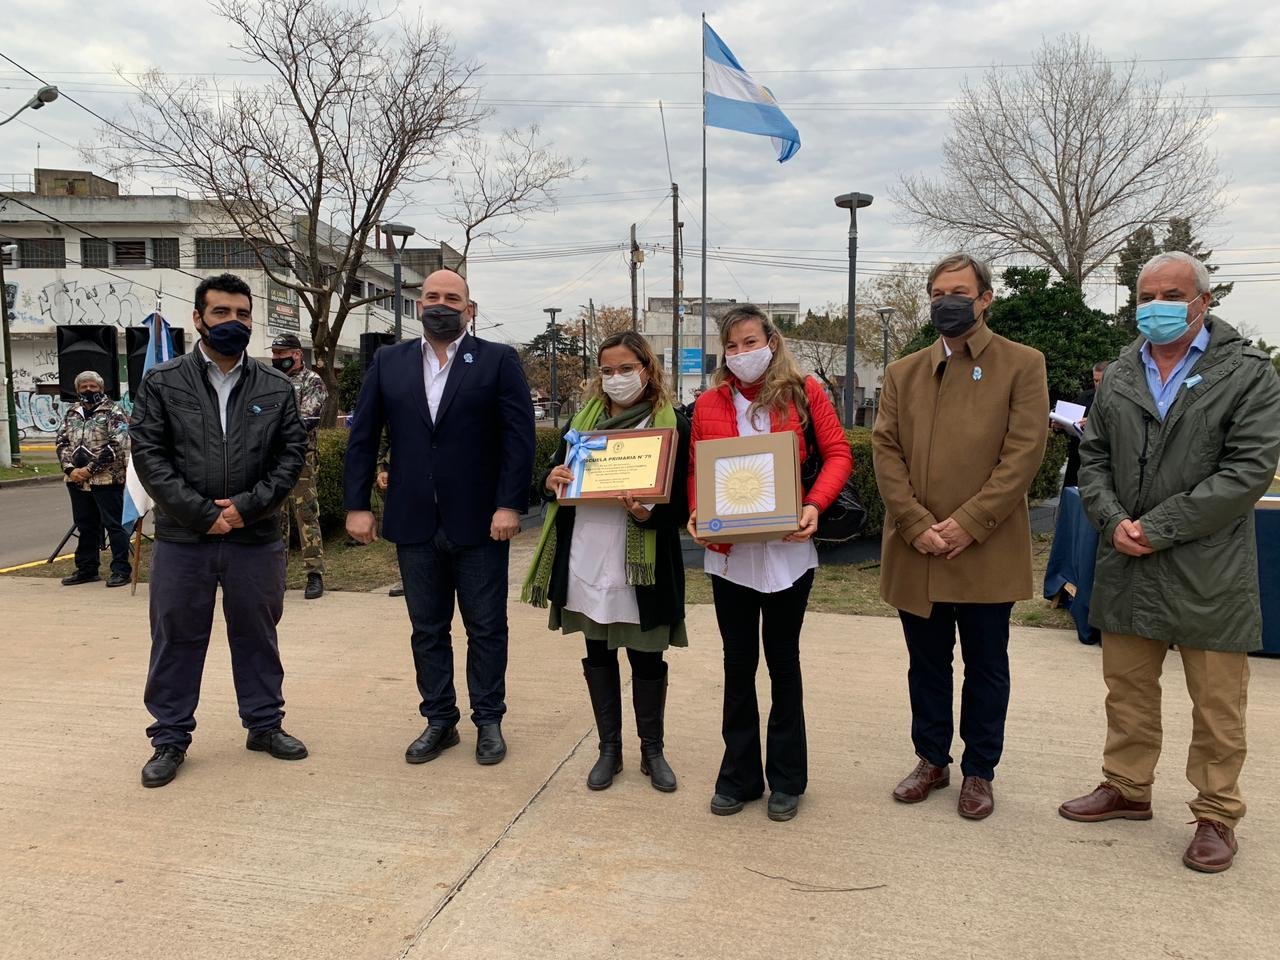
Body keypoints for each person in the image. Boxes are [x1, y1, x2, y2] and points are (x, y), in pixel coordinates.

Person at [1060, 251, 1280, 873]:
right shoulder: (1124, 369)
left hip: (1207, 566)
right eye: (1146, 295)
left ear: (1203, 302)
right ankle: (1126, 788)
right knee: (1126, 688)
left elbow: (1247, 472)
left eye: (1170, 295)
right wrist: (1110, 519)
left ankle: (1216, 813)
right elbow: (1093, 457)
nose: (1155, 306)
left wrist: (1157, 528)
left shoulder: (1247, 371)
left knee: (1217, 702)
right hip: (1127, 558)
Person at [872, 252, 1048, 821]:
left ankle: (979, 771)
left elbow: (1023, 455)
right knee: (926, 665)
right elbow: (885, 451)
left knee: (986, 666)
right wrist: (916, 523)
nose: (947, 301)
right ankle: (931, 759)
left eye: (959, 291)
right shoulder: (903, 372)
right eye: (938, 292)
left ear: (985, 298)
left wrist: (969, 524)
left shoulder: (1022, 364)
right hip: (916, 548)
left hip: (985, 548)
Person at [344, 269, 535, 767]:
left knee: (486, 627)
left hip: (481, 522)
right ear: (418, 303)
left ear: (469, 309)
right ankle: (440, 720)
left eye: (453, 298)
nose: (441, 304)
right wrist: (357, 505)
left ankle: (488, 720)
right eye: (432, 296)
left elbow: (519, 439)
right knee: (427, 628)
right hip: (414, 522)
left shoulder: (497, 360)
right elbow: (363, 437)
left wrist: (510, 503)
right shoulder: (389, 362)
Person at [129, 273, 309, 788]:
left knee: (257, 634)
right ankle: (169, 737)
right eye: (222, 313)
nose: (234, 322)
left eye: (242, 314)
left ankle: (264, 725)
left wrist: (244, 510)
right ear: (198, 319)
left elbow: (289, 457)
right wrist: (202, 514)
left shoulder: (276, 386)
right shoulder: (163, 382)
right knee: (176, 637)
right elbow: (150, 456)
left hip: (254, 538)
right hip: (185, 540)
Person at [687, 304, 852, 822]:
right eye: (732, 346)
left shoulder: (805, 392)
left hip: (787, 554)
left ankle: (787, 779)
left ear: (772, 343)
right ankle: (738, 776)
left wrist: (814, 504)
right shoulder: (709, 403)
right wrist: (696, 509)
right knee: (738, 668)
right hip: (730, 560)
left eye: (750, 342)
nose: (741, 354)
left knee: (783, 665)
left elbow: (840, 454)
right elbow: (697, 469)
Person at [522, 331, 690, 793]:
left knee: (647, 655)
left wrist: (648, 511)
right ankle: (609, 750)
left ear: (647, 369)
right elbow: (553, 481)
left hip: (643, 563)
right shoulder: (582, 422)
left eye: (625, 369)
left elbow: (682, 502)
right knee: (598, 650)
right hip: (589, 554)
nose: (615, 379)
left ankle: (652, 751)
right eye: (607, 370)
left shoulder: (672, 424)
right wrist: (549, 479)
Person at [55, 370, 132, 588]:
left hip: (107, 480)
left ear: (101, 388)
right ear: (77, 390)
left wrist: (90, 469)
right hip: (76, 481)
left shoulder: (114, 411)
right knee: (86, 525)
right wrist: (71, 470)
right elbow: (61, 442)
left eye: (93, 387)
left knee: (114, 525)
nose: (88, 390)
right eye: (83, 387)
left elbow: (119, 443)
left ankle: (120, 570)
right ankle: (87, 569)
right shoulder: (72, 412)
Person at [270, 333, 329, 600]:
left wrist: (271, 429)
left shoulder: (312, 381)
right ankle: (275, 575)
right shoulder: (272, 381)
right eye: (274, 354)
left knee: (306, 514)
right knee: (275, 516)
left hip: (301, 458)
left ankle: (314, 575)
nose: (276, 358)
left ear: (296, 354)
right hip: (272, 459)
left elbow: (306, 420)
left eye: (281, 354)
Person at [1054, 360, 1110, 489]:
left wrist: (1092, 422)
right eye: (1095, 381)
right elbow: (1071, 419)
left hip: (1100, 460)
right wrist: (1059, 425)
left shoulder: (1119, 400)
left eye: (1100, 381)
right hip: (1077, 458)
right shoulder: (1085, 396)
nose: (1097, 385)